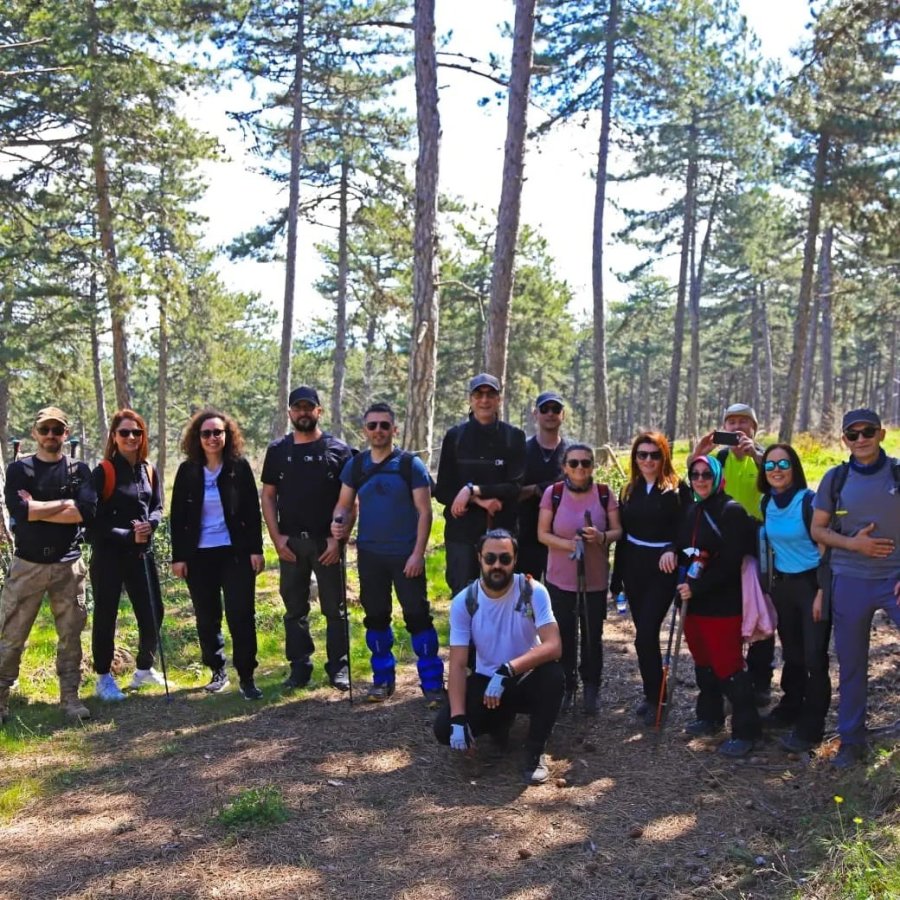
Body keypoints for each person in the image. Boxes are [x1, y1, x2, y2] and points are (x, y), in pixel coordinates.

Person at [331, 402, 444, 706]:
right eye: (372, 425)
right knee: (376, 618)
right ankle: (382, 681)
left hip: (406, 555)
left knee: (418, 617)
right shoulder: (355, 466)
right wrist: (338, 523)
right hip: (370, 555)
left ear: (395, 430)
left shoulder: (410, 465)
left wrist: (418, 554)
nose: (378, 430)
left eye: (384, 425)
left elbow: (425, 512)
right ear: (365, 430)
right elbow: (344, 503)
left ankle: (432, 684)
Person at [434, 529, 564, 785]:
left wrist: (508, 670)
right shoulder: (464, 601)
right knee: (443, 729)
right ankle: (499, 726)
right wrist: (458, 719)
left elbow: (554, 645)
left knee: (554, 676)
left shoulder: (532, 591)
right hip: (486, 683)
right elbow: (458, 665)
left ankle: (535, 751)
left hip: (524, 677)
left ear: (515, 560)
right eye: (490, 558)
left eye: (505, 559)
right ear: (479, 558)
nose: (497, 565)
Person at [810, 409, 900, 769]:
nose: (860, 439)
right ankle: (851, 741)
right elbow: (818, 530)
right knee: (851, 665)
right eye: (853, 434)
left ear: (881, 434)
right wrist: (854, 546)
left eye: (867, 432)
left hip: (894, 579)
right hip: (849, 578)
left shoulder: (896, 473)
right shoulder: (836, 479)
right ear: (843, 439)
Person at [0, 407, 96, 723]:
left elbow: (84, 512)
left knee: (71, 635)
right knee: (11, 635)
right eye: (45, 430)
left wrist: (37, 507)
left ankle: (70, 699)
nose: (51, 436)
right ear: (35, 433)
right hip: (27, 565)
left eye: (57, 430)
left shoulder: (79, 470)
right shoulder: (19, 470)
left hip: (68, 566)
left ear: (65, 434)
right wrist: (63, 505)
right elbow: (19, 509)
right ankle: (0, 700)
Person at [261, 386, 354, 692]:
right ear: (289, 413)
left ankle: (339, 669)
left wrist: (339, 540)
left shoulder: (339, 450)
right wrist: (277, 539)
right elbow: (269, 496)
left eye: (308, 407)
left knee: (334, 610)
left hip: (327, 544)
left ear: (319, 411)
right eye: (297, 408)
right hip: (291, 545)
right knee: (295, 610)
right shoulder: (278, 451)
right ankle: (299, 668)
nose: (303, 412)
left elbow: (352, 500)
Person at [170, 408, 265, 700]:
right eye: (206, 433)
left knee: (241, 615)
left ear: (227, 436)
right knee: (207, 616)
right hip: (199, 556)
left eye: (217, 433)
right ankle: (217, 670)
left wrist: (256, 550)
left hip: (235, 554)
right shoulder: (187, 471)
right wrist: (179, 556)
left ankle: (247, 676)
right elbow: (178, 517)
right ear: (197, 438)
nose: (212, 438)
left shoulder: (239, 467)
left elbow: (252, 510)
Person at [676, 454, 761, 757]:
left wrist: (697, 586)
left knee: (729, 667)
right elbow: (684, 549)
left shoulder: (731, 511)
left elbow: (730, 561)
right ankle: (710, 716)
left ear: (717, 476)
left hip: (722, 604)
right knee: (703, 663)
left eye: (706, 474)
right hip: (692, 603)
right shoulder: (692, 509)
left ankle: (747, 729)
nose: (700, 479)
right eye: (695, 474)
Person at [690, 402, 773, 705]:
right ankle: (728, 677)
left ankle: (760, 682)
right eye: (731, 421)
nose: (737, 427)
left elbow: (781, 481)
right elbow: (695, 484)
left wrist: (756, 455)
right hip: (719, 552)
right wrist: (698, 450)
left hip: (756, 550)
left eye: (744, 422)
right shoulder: (718, 458)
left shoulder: (765, 458)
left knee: (760, 614)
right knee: (727, 616)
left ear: (754, 428)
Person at [611, 432, 692, 725]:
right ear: (634, 458)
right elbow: (621, 536)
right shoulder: (628, 489)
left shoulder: (677, 489)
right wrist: (616, 578)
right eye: (642, 455)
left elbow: (686, 528)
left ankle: (657, 697)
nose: (648, 460)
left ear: (664, 457)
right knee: (642, 636)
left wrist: (673, 549)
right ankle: (652, 694)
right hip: (634, 565)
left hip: (663, 567)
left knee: (646, 632)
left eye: (654, 455)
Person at [537, 443, 621, 715]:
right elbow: (542, 534)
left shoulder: (605, 494)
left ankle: (591, 687)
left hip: (594, 580)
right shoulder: (554, 494)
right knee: (563, 635)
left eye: (585, 463)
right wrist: (569, 545)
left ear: (593, 466)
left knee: (592, 636)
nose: (580, 468)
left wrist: (601, 537)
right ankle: (566, 686)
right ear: (564, 467)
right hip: (560, 579)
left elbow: (618, 530)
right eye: (573, 463)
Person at [757, 443, 830, 752]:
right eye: (770, 465)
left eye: (783, 464)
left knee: (815, 657)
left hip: (813, 585)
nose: (777, 471)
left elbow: (826, 549)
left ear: (795, 468)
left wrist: (822, 593)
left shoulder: (808, 502)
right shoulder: (766, 503)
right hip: (783, 587)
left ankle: (811, 727)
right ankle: (790, 707)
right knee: (793, 654)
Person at [90, 409, 166, 701]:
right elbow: (92, 521)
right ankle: (103, 678)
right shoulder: (104, 471)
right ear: (114, 437)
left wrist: (153, 524)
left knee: (153, 613)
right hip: (109, 557)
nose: (131, 437)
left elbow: (157, 506)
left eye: (137, 432)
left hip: (140, 556)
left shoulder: (148, 470)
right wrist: (126, 534)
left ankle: (144, 669)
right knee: (106, 615)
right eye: (125, 432)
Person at [434, 374, 526, 596]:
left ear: (499, 399)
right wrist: (479, 499)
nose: (484, 400)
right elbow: (443, 491)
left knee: (502, 597)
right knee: (464, 597)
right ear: (470, 399)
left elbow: (514, 486)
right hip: (462, 535)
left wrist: (472, 490)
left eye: (490, 394)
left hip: (502, 532)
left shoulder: (514, 437)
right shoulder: (455, 437)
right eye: (479, 394)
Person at [516, 391, 569, 579]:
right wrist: (537, 489)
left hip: (562, 538)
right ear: (535, 414)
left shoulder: (573, 454)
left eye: (556, 409)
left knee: (560, 600)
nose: (550, 414)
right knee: (524, 597)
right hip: (525, 536)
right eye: (544, 409)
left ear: (563, 415)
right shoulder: (521, 450)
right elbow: (510, 493)